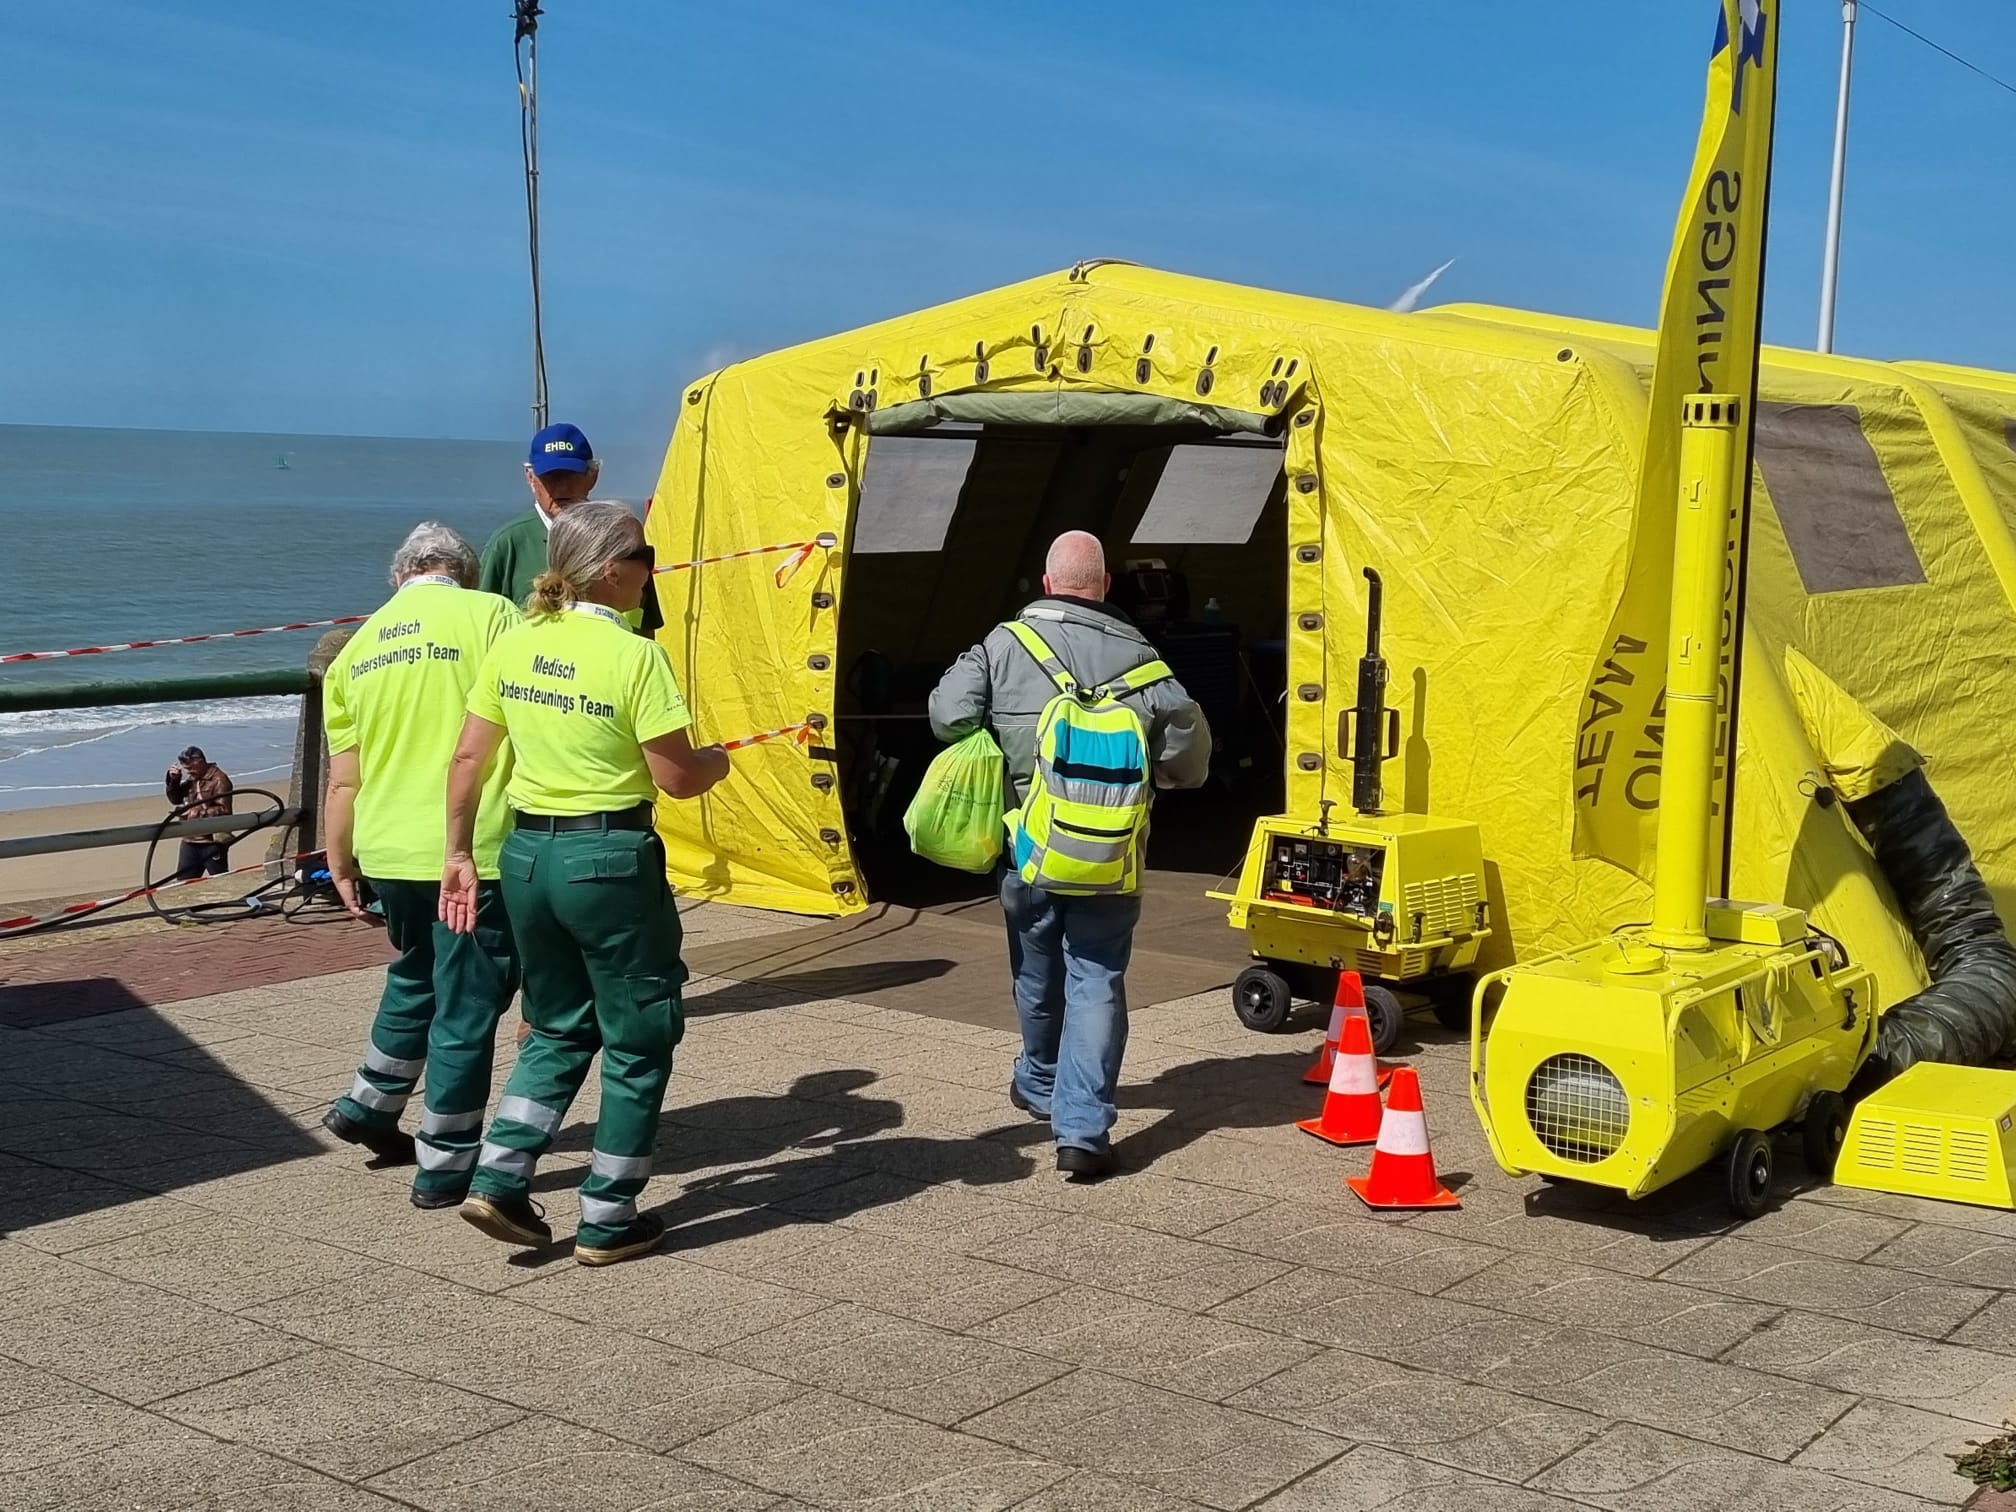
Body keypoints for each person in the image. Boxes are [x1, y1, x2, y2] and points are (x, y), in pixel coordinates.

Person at [443, 501, 729, 1266]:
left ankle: (500, 1177)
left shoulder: (516, 643)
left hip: (527, 855)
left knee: (558, 1025)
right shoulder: (635, 657)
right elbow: (677, 777)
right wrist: (718, 760)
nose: (651, 568)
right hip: (607, 857)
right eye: (644, 555)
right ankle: (608, 1214)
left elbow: (468, 758)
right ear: (610, 570)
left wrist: (458, 852)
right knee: (639, 1036)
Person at [928, 531, 1210, 1181]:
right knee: (1097, 979)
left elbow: (947, 717)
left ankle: (1040, 1079)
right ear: (1105, 586)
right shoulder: (1147, 663)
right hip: (1113, 859)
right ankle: (1082, 1131)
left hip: (1028, 850)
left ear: (1047, 583)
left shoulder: (1003, 645)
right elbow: (1189, 766)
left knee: (1035, 970)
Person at [318, 523, 524, 1207]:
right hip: (471, 844)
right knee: (468, 1001)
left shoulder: (356, 649)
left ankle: (369, 1104)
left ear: (398, 576)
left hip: (386, 845)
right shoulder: (493, 614)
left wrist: (340, 859)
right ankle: (446, 1159)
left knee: (415, 973)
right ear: (465, 573)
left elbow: (343, 780)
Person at [479, 421, 663, 636]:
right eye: (550, 477)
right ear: (530, 478)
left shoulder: (622, 538)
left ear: (593, 476)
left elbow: (644, 624)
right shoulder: (508, 544)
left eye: (571, 475)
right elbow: (482, 623)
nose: (562, 486)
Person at [163, 746, 233, 880]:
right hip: (189, 839)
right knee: (184, 883)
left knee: (221, 880)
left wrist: (194, 813)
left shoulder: (219, 780)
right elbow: (175, 799)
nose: (188, 771)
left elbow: (224, 811)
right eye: (186, 769)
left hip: (211, 842)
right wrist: (174, 780)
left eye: (190, 768)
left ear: (199, 761)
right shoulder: (193, 778)